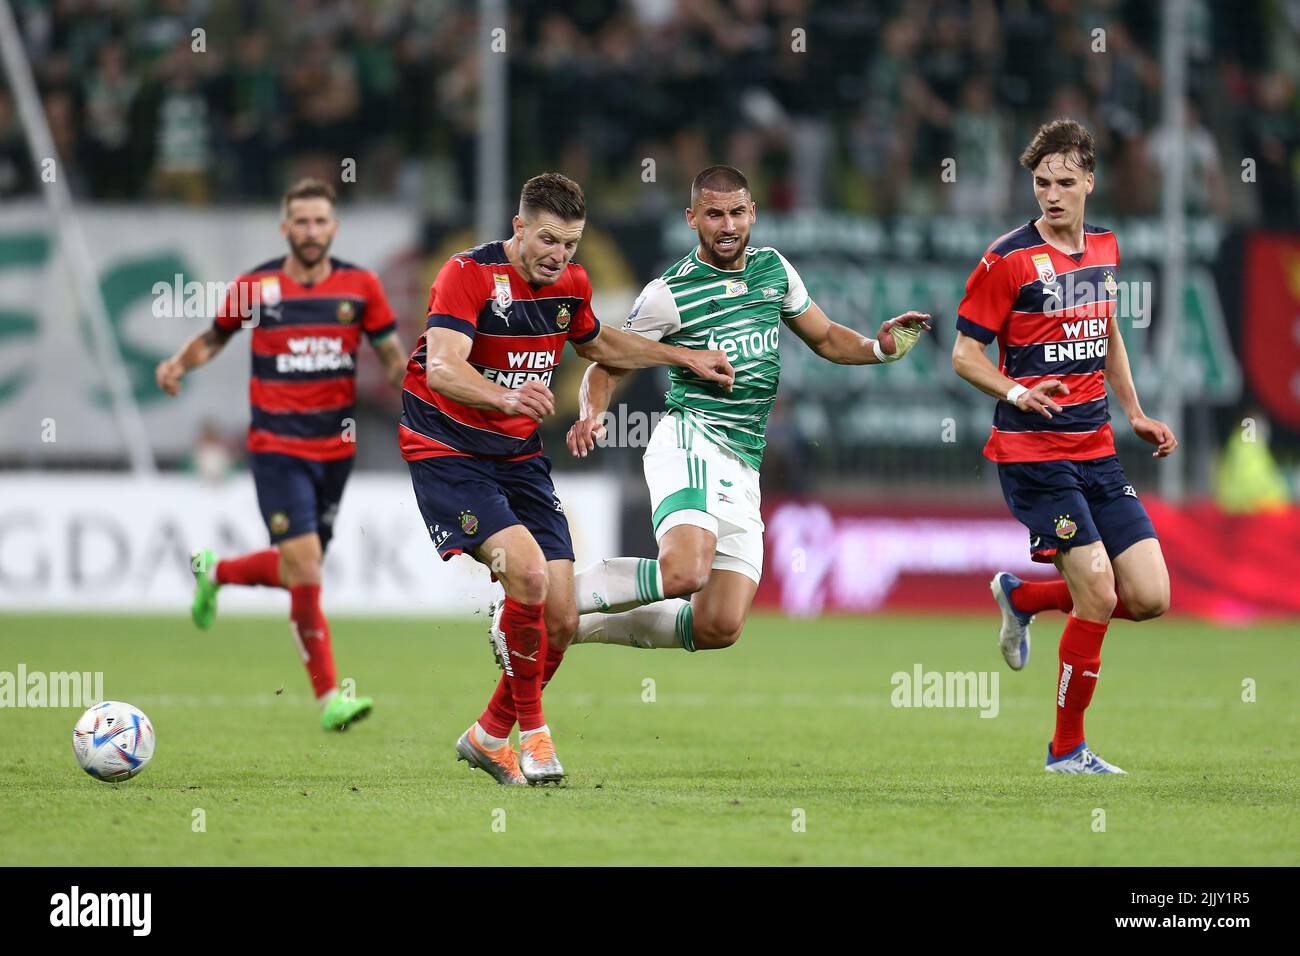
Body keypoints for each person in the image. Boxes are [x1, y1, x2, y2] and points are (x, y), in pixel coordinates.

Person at [402, 172, 734, 785]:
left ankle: (487, 736)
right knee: (527, 573)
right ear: (518, 227)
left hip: (519, 457)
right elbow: (443, 368)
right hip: (447, 449)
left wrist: (685, 357)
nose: (559, 256)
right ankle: (535, 736)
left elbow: (601, 343)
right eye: (548, 241)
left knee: (559, 617)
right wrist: (504, 398)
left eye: (571, 245)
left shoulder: (571, 286)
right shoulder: (467, 276)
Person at [562, 164, 929, 655]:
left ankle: (572, 628)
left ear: (753, 213)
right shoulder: (668, 294)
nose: (728, 225)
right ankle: (550, 600)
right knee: (684, 572)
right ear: (692, 218)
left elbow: (823, 336)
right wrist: (593, 411)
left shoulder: (773, 270)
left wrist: (879, 347)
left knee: (719, 625)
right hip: (691, 438)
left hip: (744, 461)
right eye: (714, 214)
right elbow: (606, 364)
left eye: (737, 212)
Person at [950, 119, 1176, 775]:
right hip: (1034, 457)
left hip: (1098, 451)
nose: (1051, 194)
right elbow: (964, 355)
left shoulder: (1105, 248)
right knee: (1100, 594)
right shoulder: (1007, 260)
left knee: (1151, 597)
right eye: (1042, 182)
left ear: (1089, 183)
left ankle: (1023, 599)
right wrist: (1018, 392)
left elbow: (1107, 333)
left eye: (1065, 183)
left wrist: (1135, 411)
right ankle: (1065, 751)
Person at [155, 178, 408, 731]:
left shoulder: (360, 287)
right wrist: (178, 363)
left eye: (321, 221)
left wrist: (420, 391)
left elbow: (391, 355)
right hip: (275, 447)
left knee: (300, 570)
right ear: (285, 228)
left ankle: (215, 571)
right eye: (302, 221)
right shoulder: (258, 287)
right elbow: (214, 338)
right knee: (308, 564)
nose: (312, 231)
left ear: (333, 228)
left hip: (335, 451)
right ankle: (329, 700)